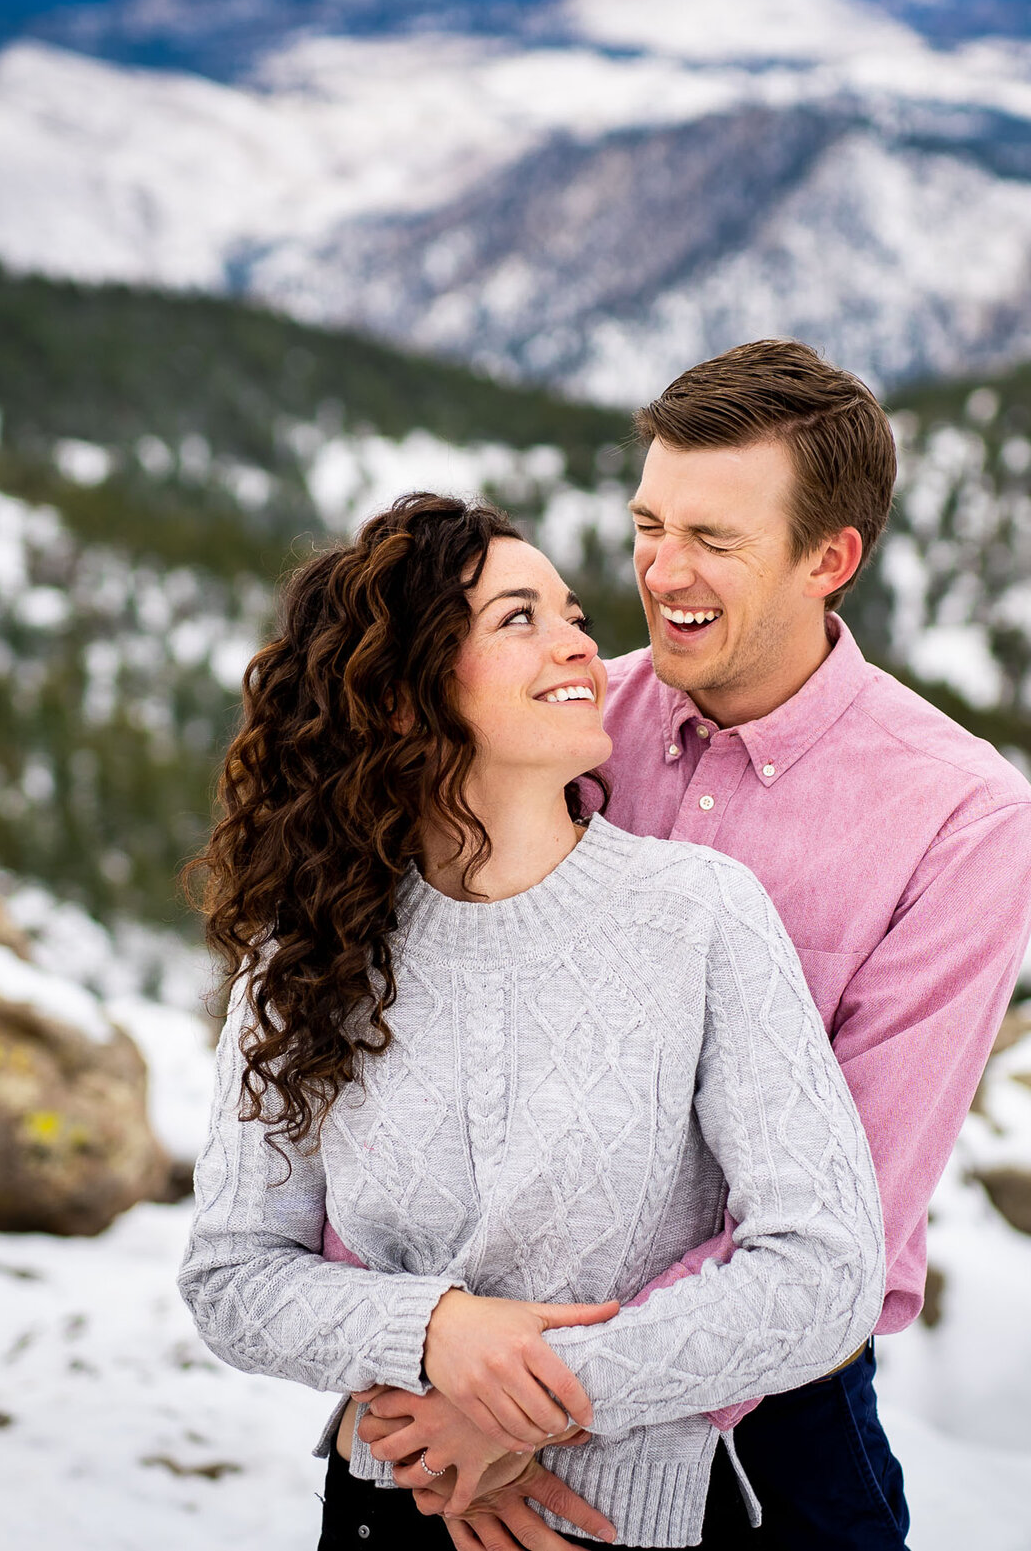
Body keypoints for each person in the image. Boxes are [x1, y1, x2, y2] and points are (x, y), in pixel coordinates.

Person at [366, 341, 1031, 1550]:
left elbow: (852, 1213)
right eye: (647, 523)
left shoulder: (959, 819)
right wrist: (436, 1352)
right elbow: (409, 1031)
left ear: (828, 557)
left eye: (713, 539)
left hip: (765, 1422)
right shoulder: (553, 723)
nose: (659, 571)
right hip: (468, 1364)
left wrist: (555, 1401)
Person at [178, 493, 886, 1551]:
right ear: (405, 696)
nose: (581, 645)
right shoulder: (307, 952)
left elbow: (826, 1268)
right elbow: (233, 1275)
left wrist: (537, 1393)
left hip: (628, 1527)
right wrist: (436, 1331)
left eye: (572, 613)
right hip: (390, 1511)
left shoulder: (698, 912)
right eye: (519, 618)